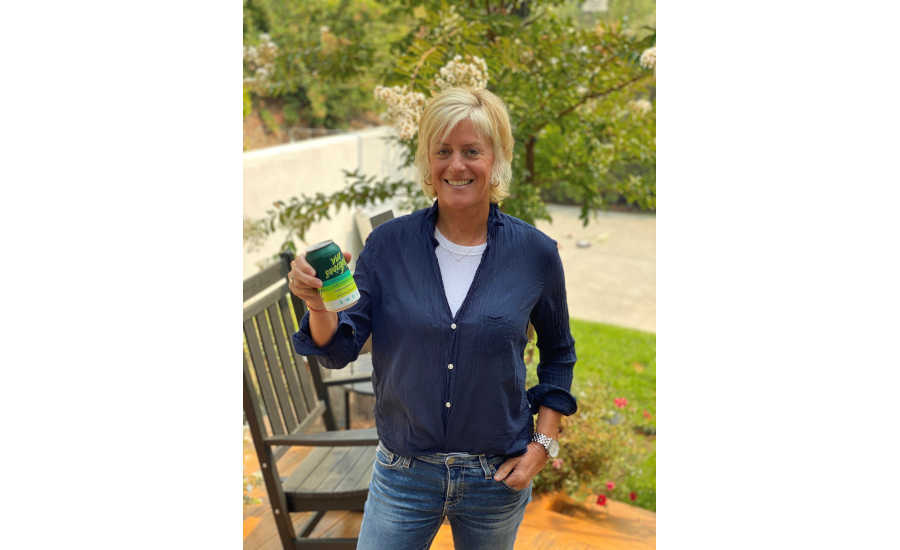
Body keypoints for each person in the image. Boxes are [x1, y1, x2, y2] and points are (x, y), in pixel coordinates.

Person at [288, 87, 577, 550]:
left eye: (471, 151)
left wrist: (543, 444)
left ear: (497, 159)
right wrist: (317, 304)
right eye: (443, 151)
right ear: (427, 161)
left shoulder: (535, 253)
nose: (456, 165)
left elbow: (559, 353)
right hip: (403, 475)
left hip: (496, 477)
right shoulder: (388, 246)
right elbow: (338, 349)